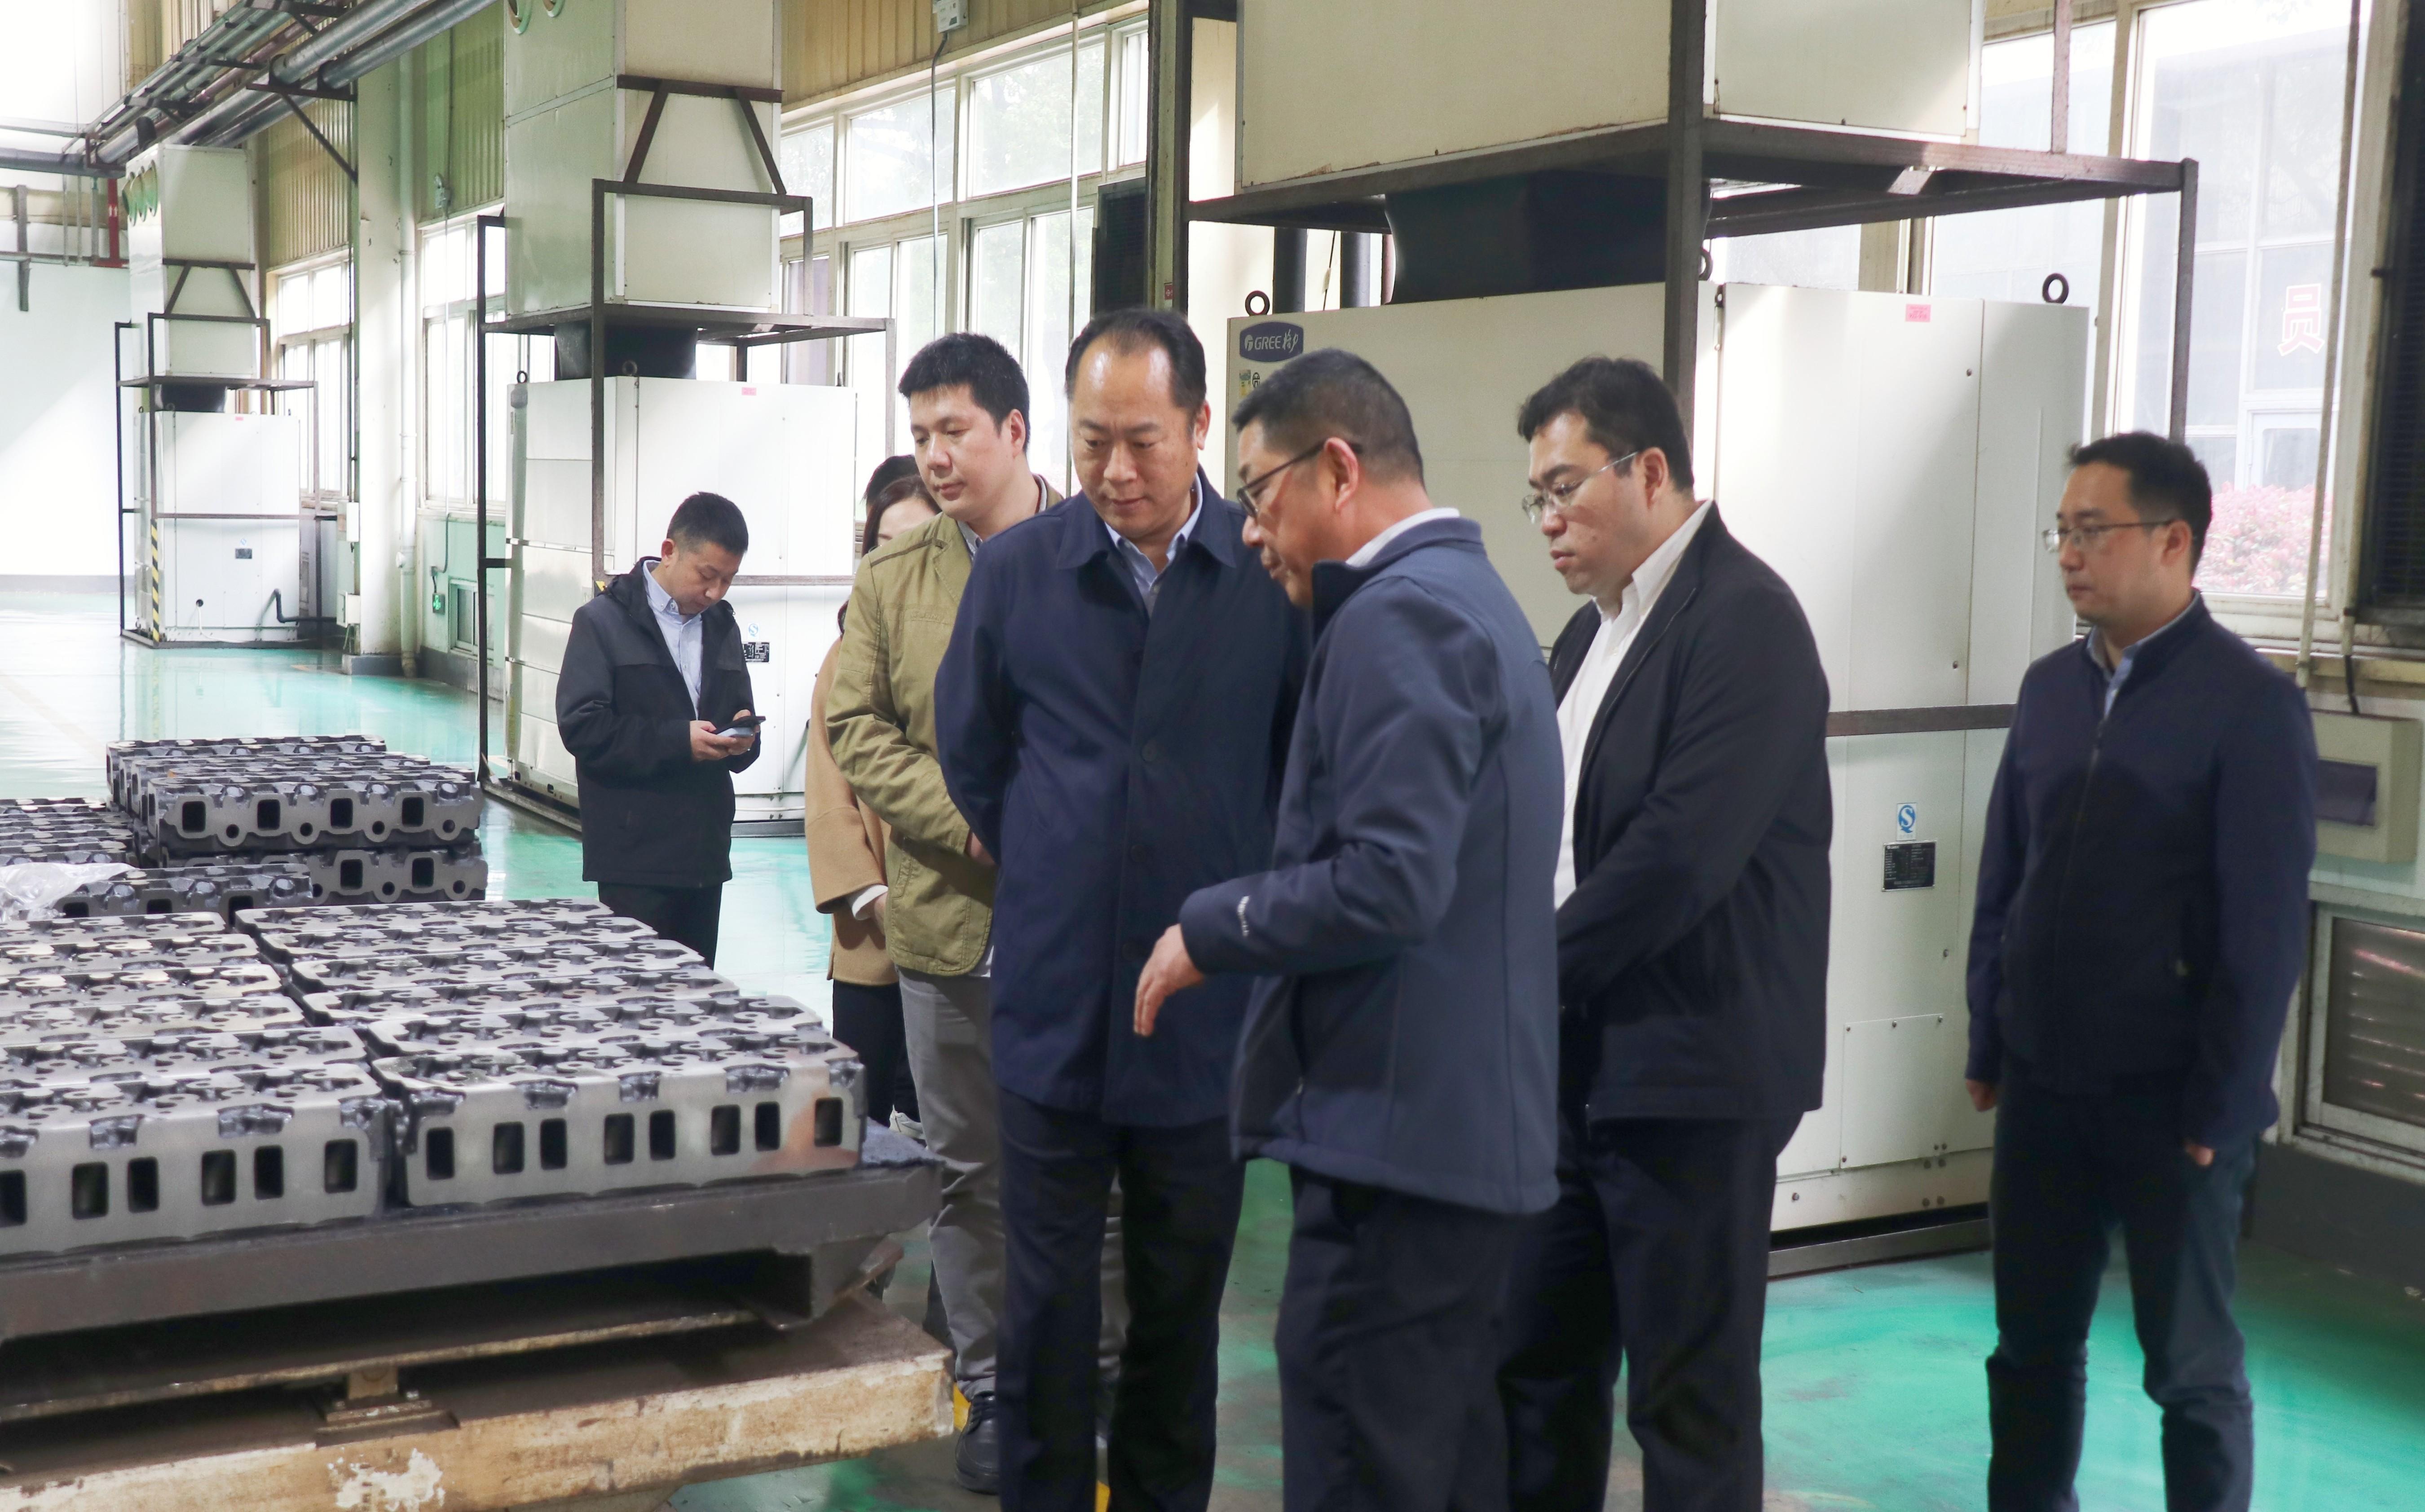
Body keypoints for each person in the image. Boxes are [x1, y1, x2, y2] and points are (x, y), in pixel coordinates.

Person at [1133, 347, 1563, 1512]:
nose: (1251, 531)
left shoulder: (1396, 619)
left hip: (1396, 1149)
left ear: (1337, 469)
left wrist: (1210, 925)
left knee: (1360, 1466)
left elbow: (1390, 882)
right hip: (1459, 1148)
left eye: (1260, 494)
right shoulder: (1477, 599)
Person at [936, 307, 1306, 1512]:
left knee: (1177, 1314)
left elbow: (1298, 764)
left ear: (1199, 428)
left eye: (1143, 441)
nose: (1115, 470)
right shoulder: (1018, 574)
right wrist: (1058, 858)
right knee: (1043, 1312)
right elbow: (972, 749)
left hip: (1204, 1019)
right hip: (1054, 1009)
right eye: (1092, 440)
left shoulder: (1267, 575)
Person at [1495, 357, 1831, 1512]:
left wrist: (1514, 978)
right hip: (1571, 1073)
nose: (1548, 519)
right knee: (1537, 1372)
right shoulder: (1587, 637)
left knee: (1686, 1405)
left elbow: (1677, 859)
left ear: (1648, 471)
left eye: (1564, 488)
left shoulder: (1744, 621)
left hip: (1688, 1080)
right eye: (1535, 498)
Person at [1965, 433, 2315, 1512]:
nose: (2069, 555)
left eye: (2093, 531)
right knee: (2030, 1346)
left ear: (2174, 541)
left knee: (2189, 1367)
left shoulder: (2248, 704)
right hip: (2043, 1085)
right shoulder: (2048, 689)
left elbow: (2263, 930)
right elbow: (2005, 874)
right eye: (2061, 533)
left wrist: (2221, 1100)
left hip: (2172, 1106)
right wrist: (1989, 1033)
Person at [828, 332, 1123, 1494]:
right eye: (920, 437)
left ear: (1015, 431)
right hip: (951, 927)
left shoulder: (1106, 558)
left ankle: (1093, 1375)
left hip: (1090, 928)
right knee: (971, 1173)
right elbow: (856, 728)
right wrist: (968, 819)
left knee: (1098, 1172)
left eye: (954, 431)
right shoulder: (897, 581)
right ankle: (993, 1386)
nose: (935, 456)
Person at [555, 491, 761, 965]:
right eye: (707, 575)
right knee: (635, 994)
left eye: (728, 580)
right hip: (635, 857)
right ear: (669, 551)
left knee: (698, 994)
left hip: (704, 854)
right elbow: (583, 728)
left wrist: (744, 739)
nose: (715, 592)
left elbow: (740, 710)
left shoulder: (722, 626)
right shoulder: (602, 623)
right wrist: (678, 741)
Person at [806, 463, 939, 1129]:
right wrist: (870, 894)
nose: (895, 562)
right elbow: (828, 788)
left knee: (942, 1109)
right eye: (882, 545)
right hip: (872, 926)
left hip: (955, 917)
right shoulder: (847, 653)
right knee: (861, 1112)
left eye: (916, 542)